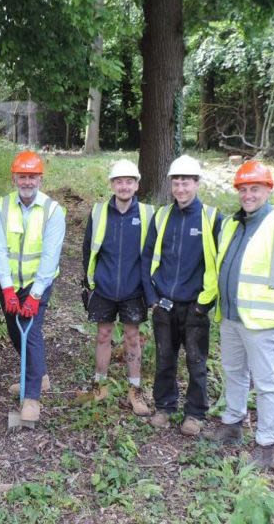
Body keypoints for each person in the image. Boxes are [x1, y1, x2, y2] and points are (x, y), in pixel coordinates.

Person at [203, 161, 274, 470]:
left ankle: (265, 445)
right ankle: (232, 423)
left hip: (262, 322)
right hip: (232, 315)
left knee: (265, 383)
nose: (248, 195)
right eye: (244, 189)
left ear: (268, 190)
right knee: (234, 371)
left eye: (255, 189)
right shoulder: (233, 224)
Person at [141, 154, 223, 437]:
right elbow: (147, 256)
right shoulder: (162, 216)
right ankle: (164, 407)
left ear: (197, 183)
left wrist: (204, 304)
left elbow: (219, 264)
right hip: (163, 303)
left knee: (196, 362)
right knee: (165, 358)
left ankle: (195, 413)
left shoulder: (212, 218)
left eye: (186, 182)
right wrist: (151, 296)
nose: (180, 189)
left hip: (195, 306)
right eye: (176, 183)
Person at [0, 151, 66, 423]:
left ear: (40, 179)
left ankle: (31, 397)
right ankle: (39, 374)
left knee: (30, 332)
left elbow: (50, 256)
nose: (27, 182)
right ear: (14, 178)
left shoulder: (53, 211)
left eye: (32, 176)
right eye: (23, 176)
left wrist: (35, 294)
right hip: (9, 281)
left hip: (38, 282)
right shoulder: (0, 207)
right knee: (14, 331)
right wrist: (7, 289)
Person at [79, 159, 154, 417]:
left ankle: (135, 390)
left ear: (136, 185)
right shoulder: (99, 212)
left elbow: (154, 253)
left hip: (134, 289)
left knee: (133, 338)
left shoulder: (147, 214)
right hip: (104, 286)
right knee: (103, 335)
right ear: (112, 184)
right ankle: (99, 385)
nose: (124, 186)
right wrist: (87, 283)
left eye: (129, 182)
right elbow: (88, 249)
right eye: (119, 181)